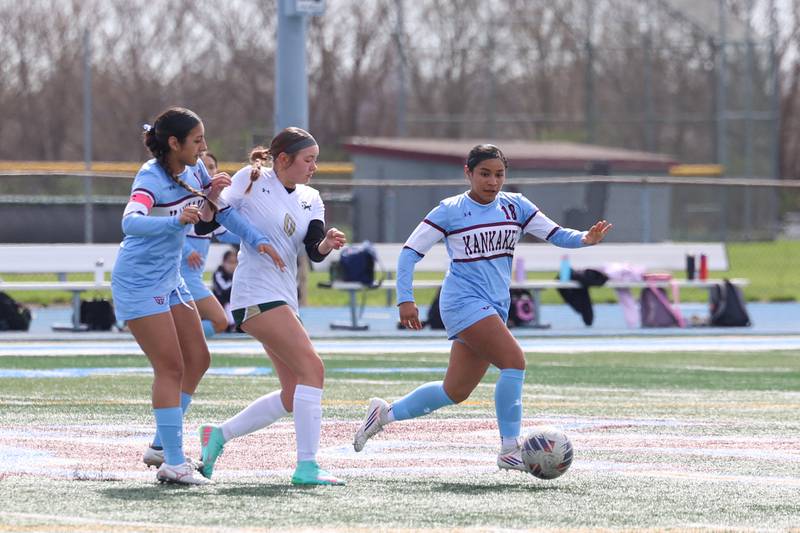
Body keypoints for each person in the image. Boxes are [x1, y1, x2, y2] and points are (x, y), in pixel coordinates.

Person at [352, 144, 612, 472]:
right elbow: (409, 252)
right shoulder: (450, 210)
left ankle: (384, 414)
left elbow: (556, 234)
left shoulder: (516, 206)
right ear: (468, 173)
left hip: (495, 304)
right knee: (514, 361)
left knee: (454, 391)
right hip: (462, 302)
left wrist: (585, 238)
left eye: (499, 174)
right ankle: (509, 449)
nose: (492, 181)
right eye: (484, 174)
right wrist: (405, 299)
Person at [112, 106, 284, 485]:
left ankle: (161, 445)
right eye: (197, 140)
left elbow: (221, 213)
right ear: (174, 143)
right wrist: (175, 221)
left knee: (198, 358)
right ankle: (173, 462)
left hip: (170, 277)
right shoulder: (150, 177)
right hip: (139, 281)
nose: (203, 147)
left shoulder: (195, 171)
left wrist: (257, 240)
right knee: (170, 367)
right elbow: (130, 222)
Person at [196, 127, 347, 486]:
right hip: (255, 295)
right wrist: (210, 197)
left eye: (315, 160)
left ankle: (218, 435)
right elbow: (207, 224)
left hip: (283, 298)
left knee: (294, 394)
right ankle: (307, 466)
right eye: (308, 160)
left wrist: (326, 244)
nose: (314, 167)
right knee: (314, 369)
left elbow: (313, 251)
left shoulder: (312, 197)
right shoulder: (250, 179)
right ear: (283, 159)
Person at [180, 151, 240, 338]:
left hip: (192, 277)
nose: (208, 171)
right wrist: (188, 251)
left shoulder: (212, 204)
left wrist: (257, 239)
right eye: (202, 166)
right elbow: (169, 231)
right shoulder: (185, 198)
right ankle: (176, 340)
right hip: (182, 277)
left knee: (205, 321)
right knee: (219, 321)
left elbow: (225, 235)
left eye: (212, 167)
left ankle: (177, 341)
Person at [212, 248, 238, 332]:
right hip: (221, 303)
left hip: (235, 302)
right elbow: (224, 290)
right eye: (230, 262)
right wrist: (234, 280)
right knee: (228, 305)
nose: (232, 265)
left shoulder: (239, 273)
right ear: (224, 262)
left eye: (235, 262)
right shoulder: (219, 273)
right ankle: (232, 326)